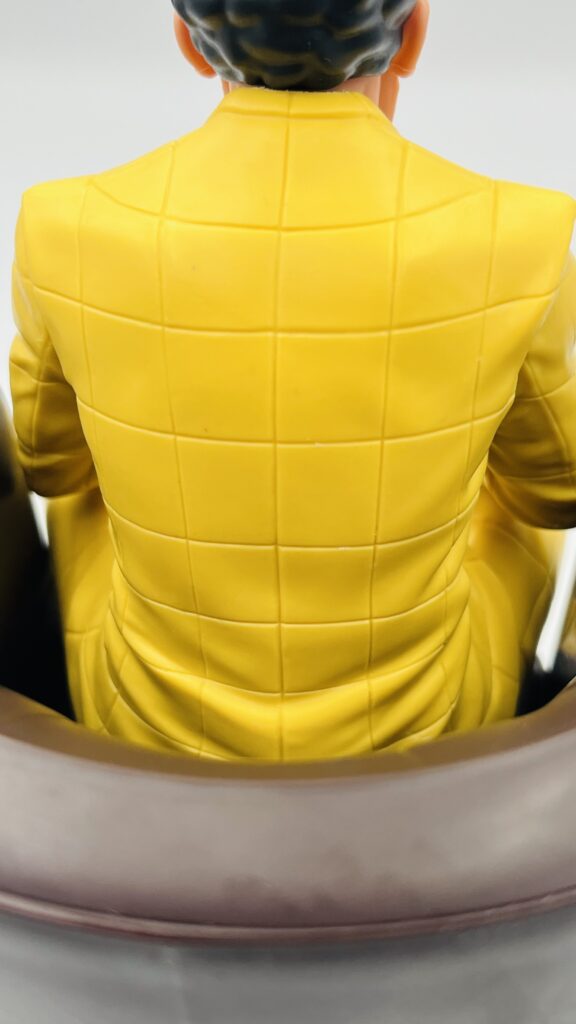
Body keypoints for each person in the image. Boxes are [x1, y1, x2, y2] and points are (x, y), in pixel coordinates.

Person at [8, 0, 576, 761]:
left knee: (85, 482)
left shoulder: (62, 223)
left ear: (188, 40)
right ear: (413, 34)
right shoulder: (524, 233)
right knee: (513, 492)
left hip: (138, 724)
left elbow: (48, 467)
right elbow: (557, 495)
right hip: (433, 730)